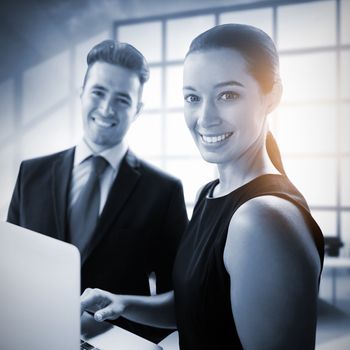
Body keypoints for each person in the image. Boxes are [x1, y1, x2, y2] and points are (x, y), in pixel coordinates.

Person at [80, 25, 324, 349]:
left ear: (272, 96)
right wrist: (124, 304)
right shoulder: (211, 192)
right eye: (193, 97)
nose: (205, 117)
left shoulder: (260, 219)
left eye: (228, 95)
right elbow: (199, 304)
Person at [7, 40, 188, 343]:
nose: (106, 108)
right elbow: (8, 267)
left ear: (137, 109)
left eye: (122, 99)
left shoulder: (164, 191)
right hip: (28, 337)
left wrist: (126, 313)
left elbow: (179, 301)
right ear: (81, 93)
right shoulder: (31, 174)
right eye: (98, 92)